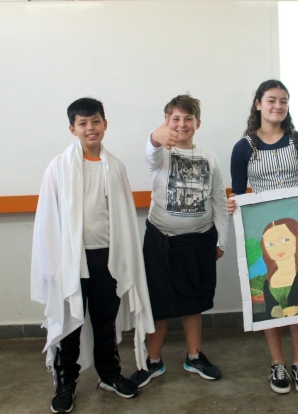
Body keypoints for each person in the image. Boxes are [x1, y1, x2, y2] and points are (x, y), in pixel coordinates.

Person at [30, 98, 155, 413]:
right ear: (72, 128)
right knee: (70, 323)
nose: (90, 128)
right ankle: (66, 383)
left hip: (106, 259)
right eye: (83, 123)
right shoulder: (59, 167)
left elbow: (123, 219)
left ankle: (109, 375)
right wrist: (52, 265)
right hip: (70, 261)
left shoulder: (115, 167)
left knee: (104, 321)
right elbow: (48, 219)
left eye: (96, 121)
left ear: (105, 124)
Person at [229, 79, 298, 395]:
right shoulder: (243, 147)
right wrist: (233, 203)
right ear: (258, 104)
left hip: (293, 231)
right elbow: (239, 192)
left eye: (283, 101)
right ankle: (277, 362)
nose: (277, 106)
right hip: (266, 232)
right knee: (272, 295)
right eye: (271, 100)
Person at [129, 94, 228, 388]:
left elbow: (219, 201)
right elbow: (151, 150)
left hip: (199, 242)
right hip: (160, 242)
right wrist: (156, 137)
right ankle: (153, 361)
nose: (182, 124)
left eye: (188, 118)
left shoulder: (210, 158)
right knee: (158, 303)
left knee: (193, 302)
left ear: (198, 123)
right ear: (166, 121)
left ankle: (194, 356)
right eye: (175, 119)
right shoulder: (162, 153)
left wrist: (221, 240)